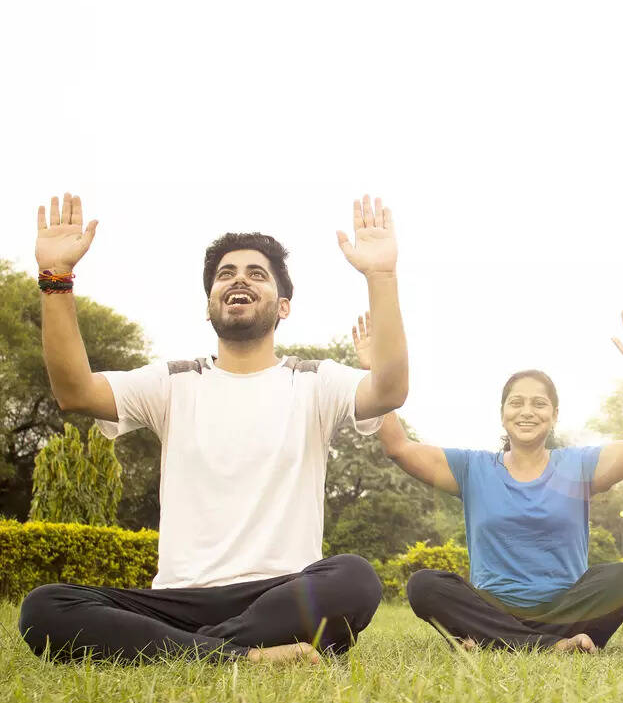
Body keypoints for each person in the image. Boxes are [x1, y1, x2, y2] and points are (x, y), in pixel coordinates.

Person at [18, 193, 409, 664]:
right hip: (179, 599)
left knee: (355, 578)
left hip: (280, 592)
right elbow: (75, 391)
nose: (239, 280)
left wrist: (380, 276)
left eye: (256, 274)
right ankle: (243, 655)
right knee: (45, 607)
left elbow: (388, 390)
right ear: (209, 305)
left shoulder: (313, 381)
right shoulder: (172, 383)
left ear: (283, 307)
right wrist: (56, 277)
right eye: (226, 274)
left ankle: (189, 650)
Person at [356, 308, 623, 652]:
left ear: (554, 415)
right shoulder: (472, 468)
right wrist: (373, 371)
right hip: (491, 607)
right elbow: (398, 447)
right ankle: (548, 645)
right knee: (424, 586)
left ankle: (500, 641)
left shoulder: (579, 466)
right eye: (516, 403)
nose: (527, 411)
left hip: (563, 609)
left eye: (539, 403)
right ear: (503, 414)